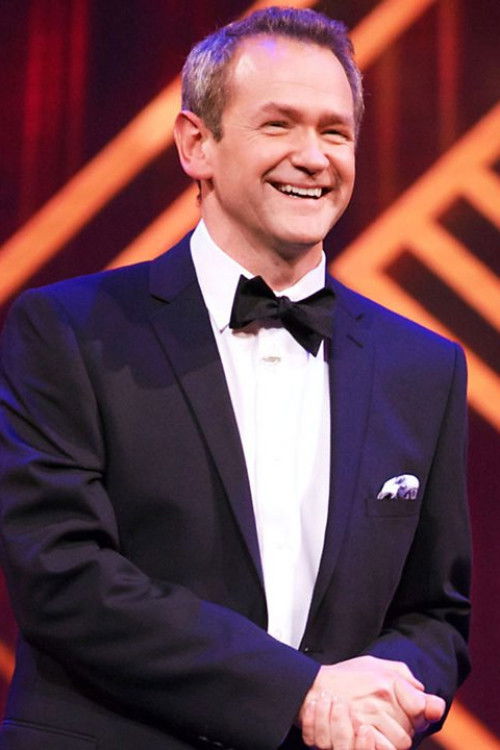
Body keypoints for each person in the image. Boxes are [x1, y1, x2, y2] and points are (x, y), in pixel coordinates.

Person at [0, 7, 471, 750]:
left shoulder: (424, 367)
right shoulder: (69, 331)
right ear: (197, 145)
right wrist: (301, 693)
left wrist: (380, 696)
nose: (313, 157)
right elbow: (62, 577)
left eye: (335, 132)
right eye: (278, 125)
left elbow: (436, 615)